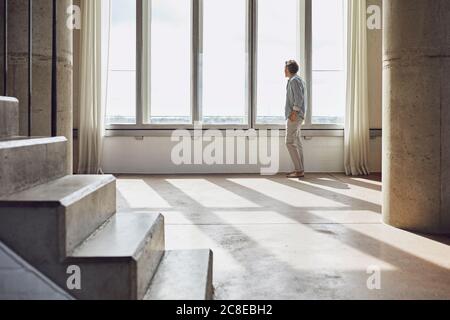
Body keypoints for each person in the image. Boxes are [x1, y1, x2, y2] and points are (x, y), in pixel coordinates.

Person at [284, 60, 307, 179]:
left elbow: (299, 97)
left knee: (289, 142)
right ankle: (300, 170)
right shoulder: (297, 80)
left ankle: (299, 170)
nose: (284, 71)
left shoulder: (294, 81)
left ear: (288, 69)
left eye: (285, 68)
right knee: (297, 142)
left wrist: (294, 112)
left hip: (295, 115)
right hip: (298, 115)